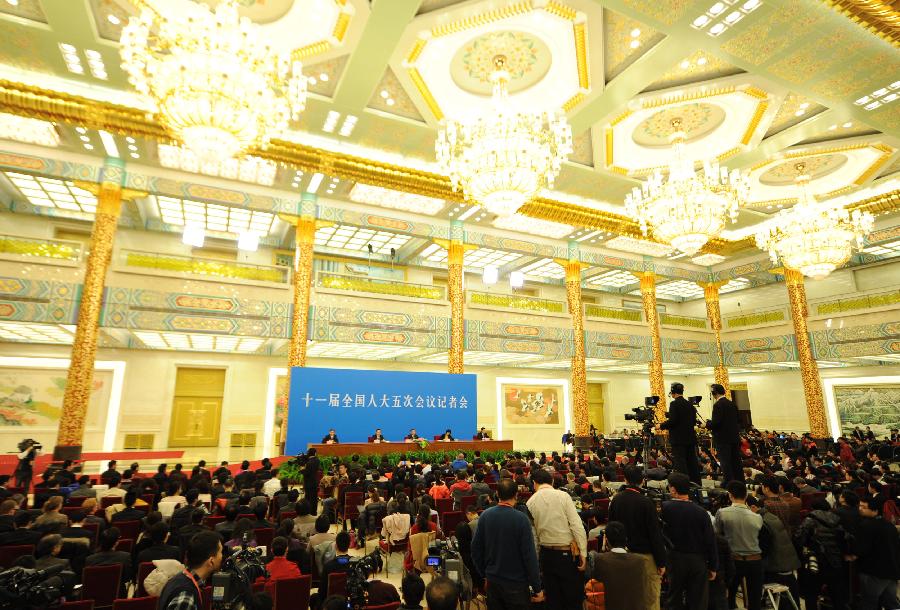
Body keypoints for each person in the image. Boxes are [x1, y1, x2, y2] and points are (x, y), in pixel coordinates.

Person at [471, 478, 543, 609]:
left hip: (493, 582)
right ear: (516, 495)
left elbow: (475, 550)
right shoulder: (521, 519)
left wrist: (485, 574)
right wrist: (537, 587)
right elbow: (529, 557)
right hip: (517, 585)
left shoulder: (485, 516)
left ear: (497, 494)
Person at [526, 468, 587, 610]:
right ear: (552, 481)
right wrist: (583, 553)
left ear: (534, 483)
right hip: (567, 555)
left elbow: (533, 537)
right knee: (572, 600)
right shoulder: (563, 496)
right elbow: (577, 526)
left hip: (546, 556)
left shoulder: (530, 502)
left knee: (553, 601)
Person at [608, 466, 666, 610]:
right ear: (642, 481)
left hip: (623, 555)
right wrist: (661, 562)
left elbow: (611, 529)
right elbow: (655, 534)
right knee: (650, 598)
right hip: (645, 558)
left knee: (627, 598)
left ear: (625, 480)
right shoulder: (646, 502)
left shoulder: (616, 500)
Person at [660, 473, 718, 610]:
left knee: (674, 599)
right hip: (698, 561)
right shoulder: (701, 512)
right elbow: (710, 540)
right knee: (698, 601)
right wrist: (713, 566)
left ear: (673, 489)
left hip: (675, 559)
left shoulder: (665, 508)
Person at [715, 480, 763, 610]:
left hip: (734, 560)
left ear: (730, 495)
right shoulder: (757, 516)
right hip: (756, 560)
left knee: (730, 596)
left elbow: (716, 536)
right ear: (746, 496)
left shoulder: (722, 513)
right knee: (755, 599)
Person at [589, 520, 652, 610]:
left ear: (606, 540)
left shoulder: (600, 560)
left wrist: (603, 548)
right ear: (626, 539)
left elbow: (592, 557)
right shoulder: (640, 561)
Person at [851, 496, 900, 610]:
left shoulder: (866, 526)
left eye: (864, 507)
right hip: (891, 570)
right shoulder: (889, 525)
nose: (860, 509)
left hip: (873, 572)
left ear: (875, 510)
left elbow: (861, 549)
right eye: (859, 506)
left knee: (869, 603)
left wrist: (852, 554)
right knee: (892, 603)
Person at [158, 530, 223, 610]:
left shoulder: (180, 577)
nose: (222, 556)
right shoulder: (186, 596)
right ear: (211, 561)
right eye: (221, 552)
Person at [660, 382, 700, 484]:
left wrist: (660, 425)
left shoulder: (674, 404)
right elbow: (692, 420)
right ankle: (696, 483)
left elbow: (673, 421)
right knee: (692, 462)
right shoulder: (689, 404)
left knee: (681, 463)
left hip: (678, 439)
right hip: (690, 438)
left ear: (673, 392)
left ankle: (684, 484)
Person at [706, 383, 742, 483]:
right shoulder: (732, 404)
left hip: (723, 440)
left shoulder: (717, 405)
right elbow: (738, 420)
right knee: (736, 463)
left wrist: (707, 424)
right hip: (734, 438)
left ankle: (729, 484)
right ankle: (740, 483)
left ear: (714, 393)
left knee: (726, 463)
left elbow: (716, 423)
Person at [304, 448, 320, 514]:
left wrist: (302, 469)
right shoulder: (317, 460)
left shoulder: (308, 462)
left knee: (308, 498)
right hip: (314, 482)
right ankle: (314, 512)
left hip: (307, 483)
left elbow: (306, 472)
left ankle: (307, 512)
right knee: (314, 498)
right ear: (315, 453)